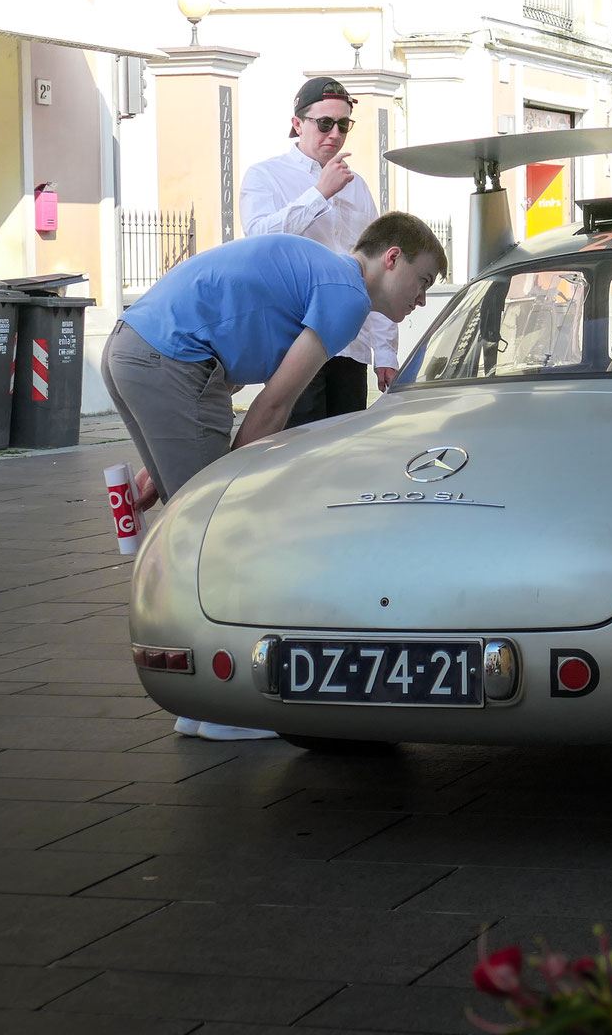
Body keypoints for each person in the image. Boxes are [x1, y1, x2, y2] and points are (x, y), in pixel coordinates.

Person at [103, 217, 443, 740]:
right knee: (223, 531)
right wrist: (230, 487)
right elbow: (274, 403)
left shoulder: (325, 273)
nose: (422, 299)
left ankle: (196, 706)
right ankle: (226, 709)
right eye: (423, 280)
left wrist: (178, 457)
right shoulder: (347, 295)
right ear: (392, 258)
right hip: (174, 360)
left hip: (133, 346)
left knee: (194, 530)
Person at [240, 76, 401, 427]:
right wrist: (320, 193)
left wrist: (385, 350)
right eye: (325, 123)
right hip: (295, 337)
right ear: (298, 123)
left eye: (343, 125)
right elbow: (259, 239)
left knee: (344, 449)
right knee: (298, 447)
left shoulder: (357, 185)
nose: (335, 134)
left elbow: (376, 270)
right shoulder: (265, 175)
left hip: (350, 341)